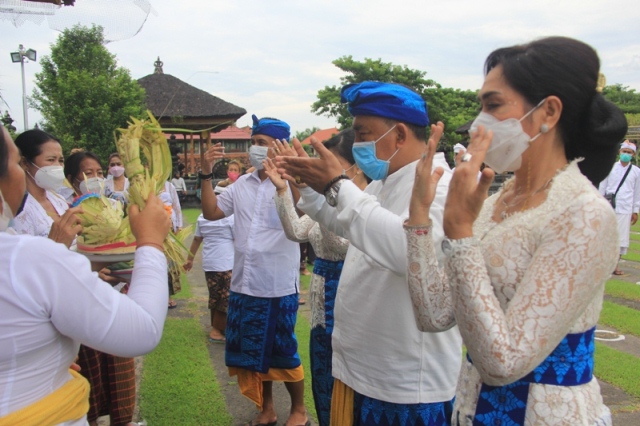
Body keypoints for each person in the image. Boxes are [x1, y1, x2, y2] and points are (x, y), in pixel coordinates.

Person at [406, 36, 627, 425]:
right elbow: (434, 314)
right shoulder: (494, 204)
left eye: (493, 105)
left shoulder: (584, 213)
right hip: (472, 406)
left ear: (549, 112)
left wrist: (459, 231)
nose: (479, 122)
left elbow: (503, 361)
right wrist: (420, 217)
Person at [276, 82, 462, 426]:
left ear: (400, 134)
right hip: (366, 367)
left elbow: (407, 250)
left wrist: (338, 187)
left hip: (404, 381)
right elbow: (347, 223)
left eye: (364, 133)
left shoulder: (441, 185)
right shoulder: (385, 181)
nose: (358, 144)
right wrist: (307, 184)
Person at [0, 124, 171, 425]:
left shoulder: (56, 206)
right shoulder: (25, 256)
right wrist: (151, 243)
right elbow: (142, 330)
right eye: (14, 162)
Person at [201, 115, 308, 426]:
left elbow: (304, 215)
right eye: (254, 143)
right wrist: (207, 173)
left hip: (276, 284)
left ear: (278, 148)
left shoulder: (292, 183)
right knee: (255, 353)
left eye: (262, 144)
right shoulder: (241, 185)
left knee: (283, 350)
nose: (255, 149)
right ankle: (267, 408)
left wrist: (290, 180)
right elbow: (211, 212)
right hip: (244, 284)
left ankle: (299, 409)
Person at [264, 130, 368, 426]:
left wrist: (317, 196)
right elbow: (296, 232)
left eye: (331, 164)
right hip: (322, 294)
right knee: (324, 371)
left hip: (352, 292)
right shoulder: (325, 203)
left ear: (355, 166)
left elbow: (343, 243)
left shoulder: (367, 203)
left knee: (351, 376)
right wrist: (283, 190)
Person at [62, 150, 140, 426]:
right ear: (72, 180)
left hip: (112, 297)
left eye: (98, 172)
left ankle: (123, 420)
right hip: (81, 306)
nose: (95, 178)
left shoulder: (112, 207)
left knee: (119, 370)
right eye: (87, 174)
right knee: (90, 375)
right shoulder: (66, 214)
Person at [184, 185, 235, 343]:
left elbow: (197, 239)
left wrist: (190, 259)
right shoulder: (229, 217)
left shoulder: (202, 217)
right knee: (225, 296)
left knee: (215, 295)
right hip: (226, 261)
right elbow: (238, 239)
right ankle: (217, 330)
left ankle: (220, 327)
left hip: (210, 262)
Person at [11, 129, 80, 246]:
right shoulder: (18, 210)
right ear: (25, 163)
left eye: (61, 160)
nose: (58, 166)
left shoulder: (59, 200)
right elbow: (23, 260)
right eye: (51, 160)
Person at [599, 140, 640, 275]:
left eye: (629, 152)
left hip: (625, 208)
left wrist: (635, 210)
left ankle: (614, 266)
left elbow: (637, 192)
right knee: (606, 236)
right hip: (609, 206)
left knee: (621, 239)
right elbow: (603, 187)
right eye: (624, 151)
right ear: (619, 152)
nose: (626, 154)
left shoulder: (636, 171)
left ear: (633, 154)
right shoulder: (610, 167)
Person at [159, 179, 183, 308]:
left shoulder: (169, 185)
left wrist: (179, 225)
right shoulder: (147, 186)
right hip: (155, 229)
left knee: (170, 265)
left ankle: (168, 296)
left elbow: (176, 206)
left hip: (171, 230)